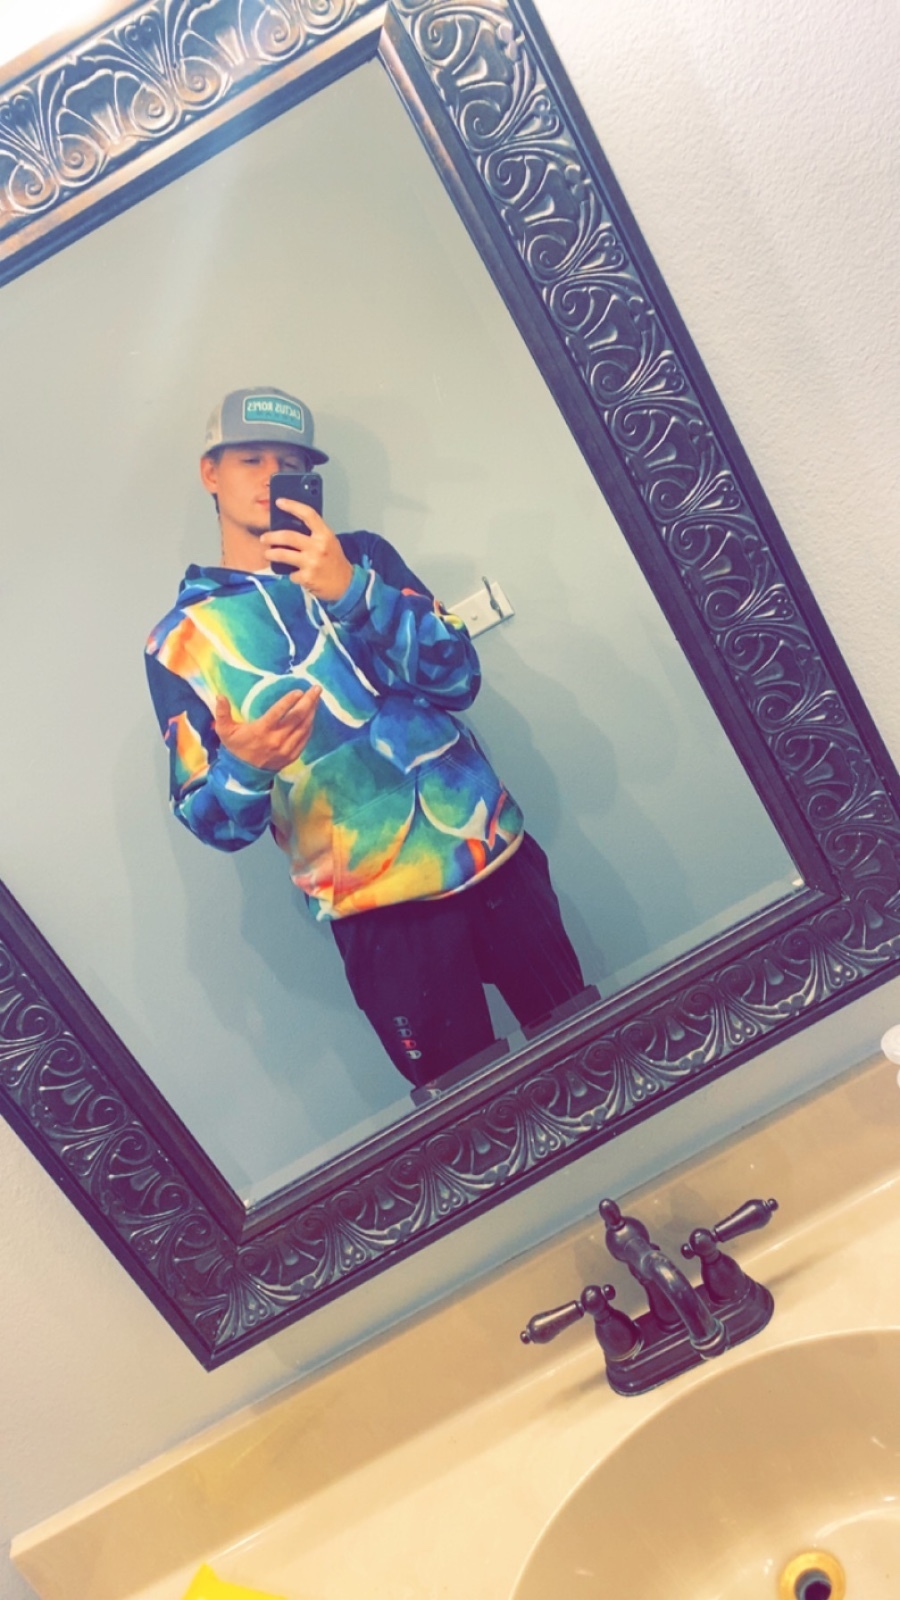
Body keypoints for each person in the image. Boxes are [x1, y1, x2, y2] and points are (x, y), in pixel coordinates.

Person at [145, 386, 586, 1088]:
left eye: (289, 464)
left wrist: (353, 591)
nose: (270, 477)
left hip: (493, 861)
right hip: (380, 917)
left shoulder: (366, 559)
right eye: (251, 459)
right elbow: (211, 822)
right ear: (211, 473)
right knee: (472, 1109)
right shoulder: (182, 641)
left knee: (591, 1054)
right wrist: (246, 768)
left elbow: (459, 679)